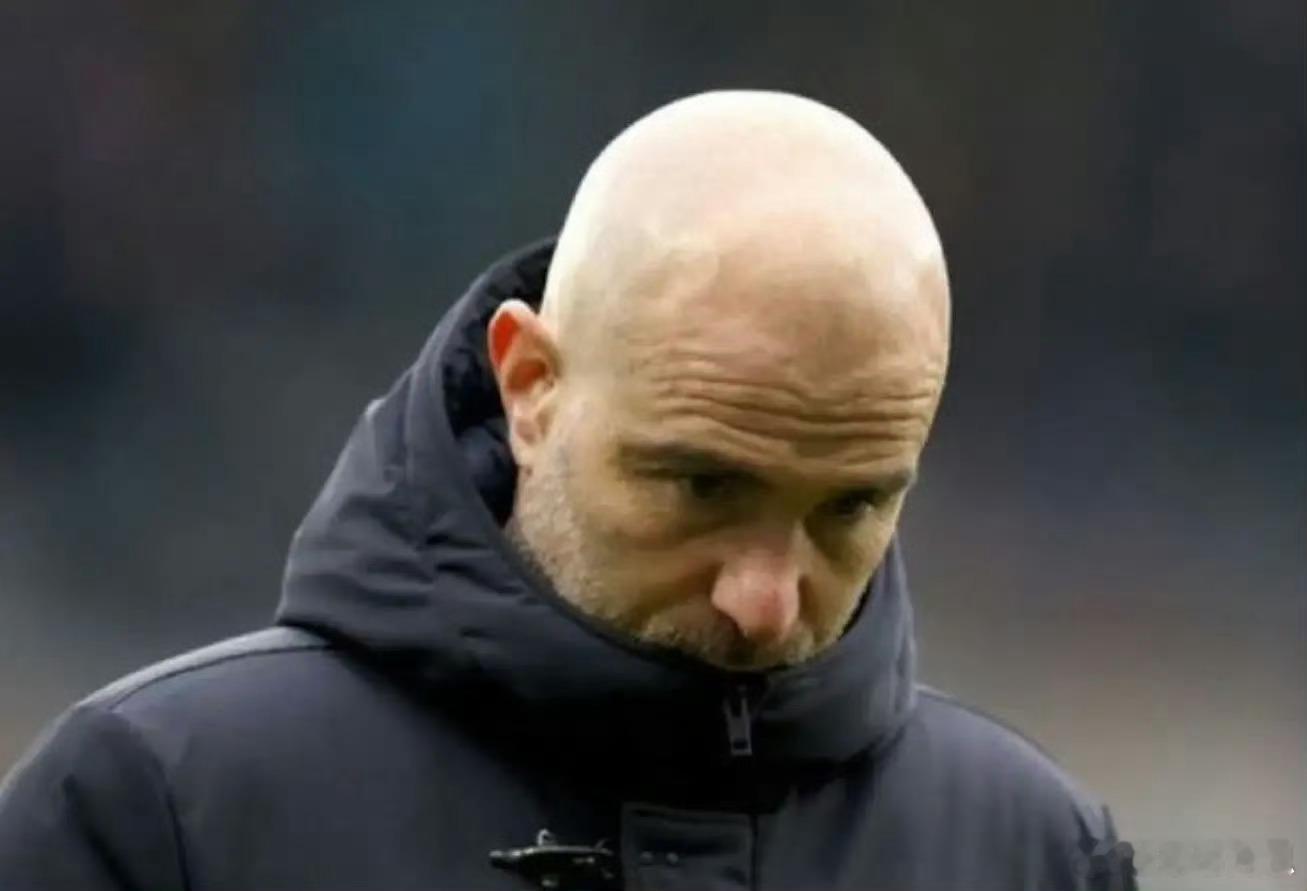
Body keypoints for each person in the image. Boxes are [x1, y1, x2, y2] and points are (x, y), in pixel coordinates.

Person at [0, 90, 1135, 890]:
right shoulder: (155, 816)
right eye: (700, 485)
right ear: (530, 386)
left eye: (849, 508)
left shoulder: (1036, 857)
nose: (764, 603)